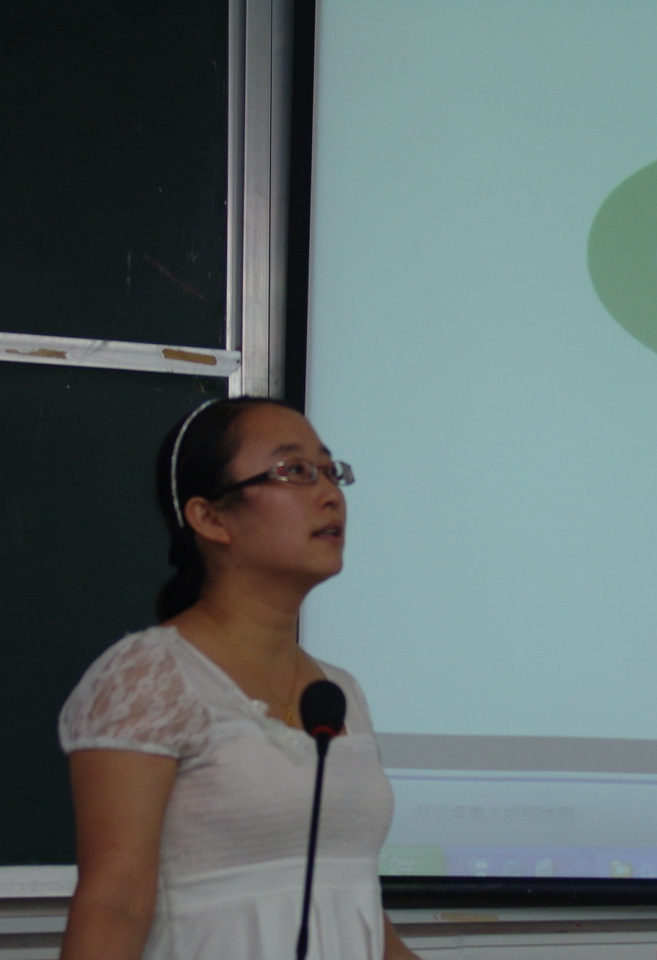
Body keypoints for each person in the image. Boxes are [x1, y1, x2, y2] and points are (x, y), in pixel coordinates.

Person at [57, 397, 420, 960]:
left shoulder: (339, 691)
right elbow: (114, 905)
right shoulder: (149, 678)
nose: (330, 493)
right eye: (295, 471)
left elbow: (352, 906)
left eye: (331, 471)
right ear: (210, 518)